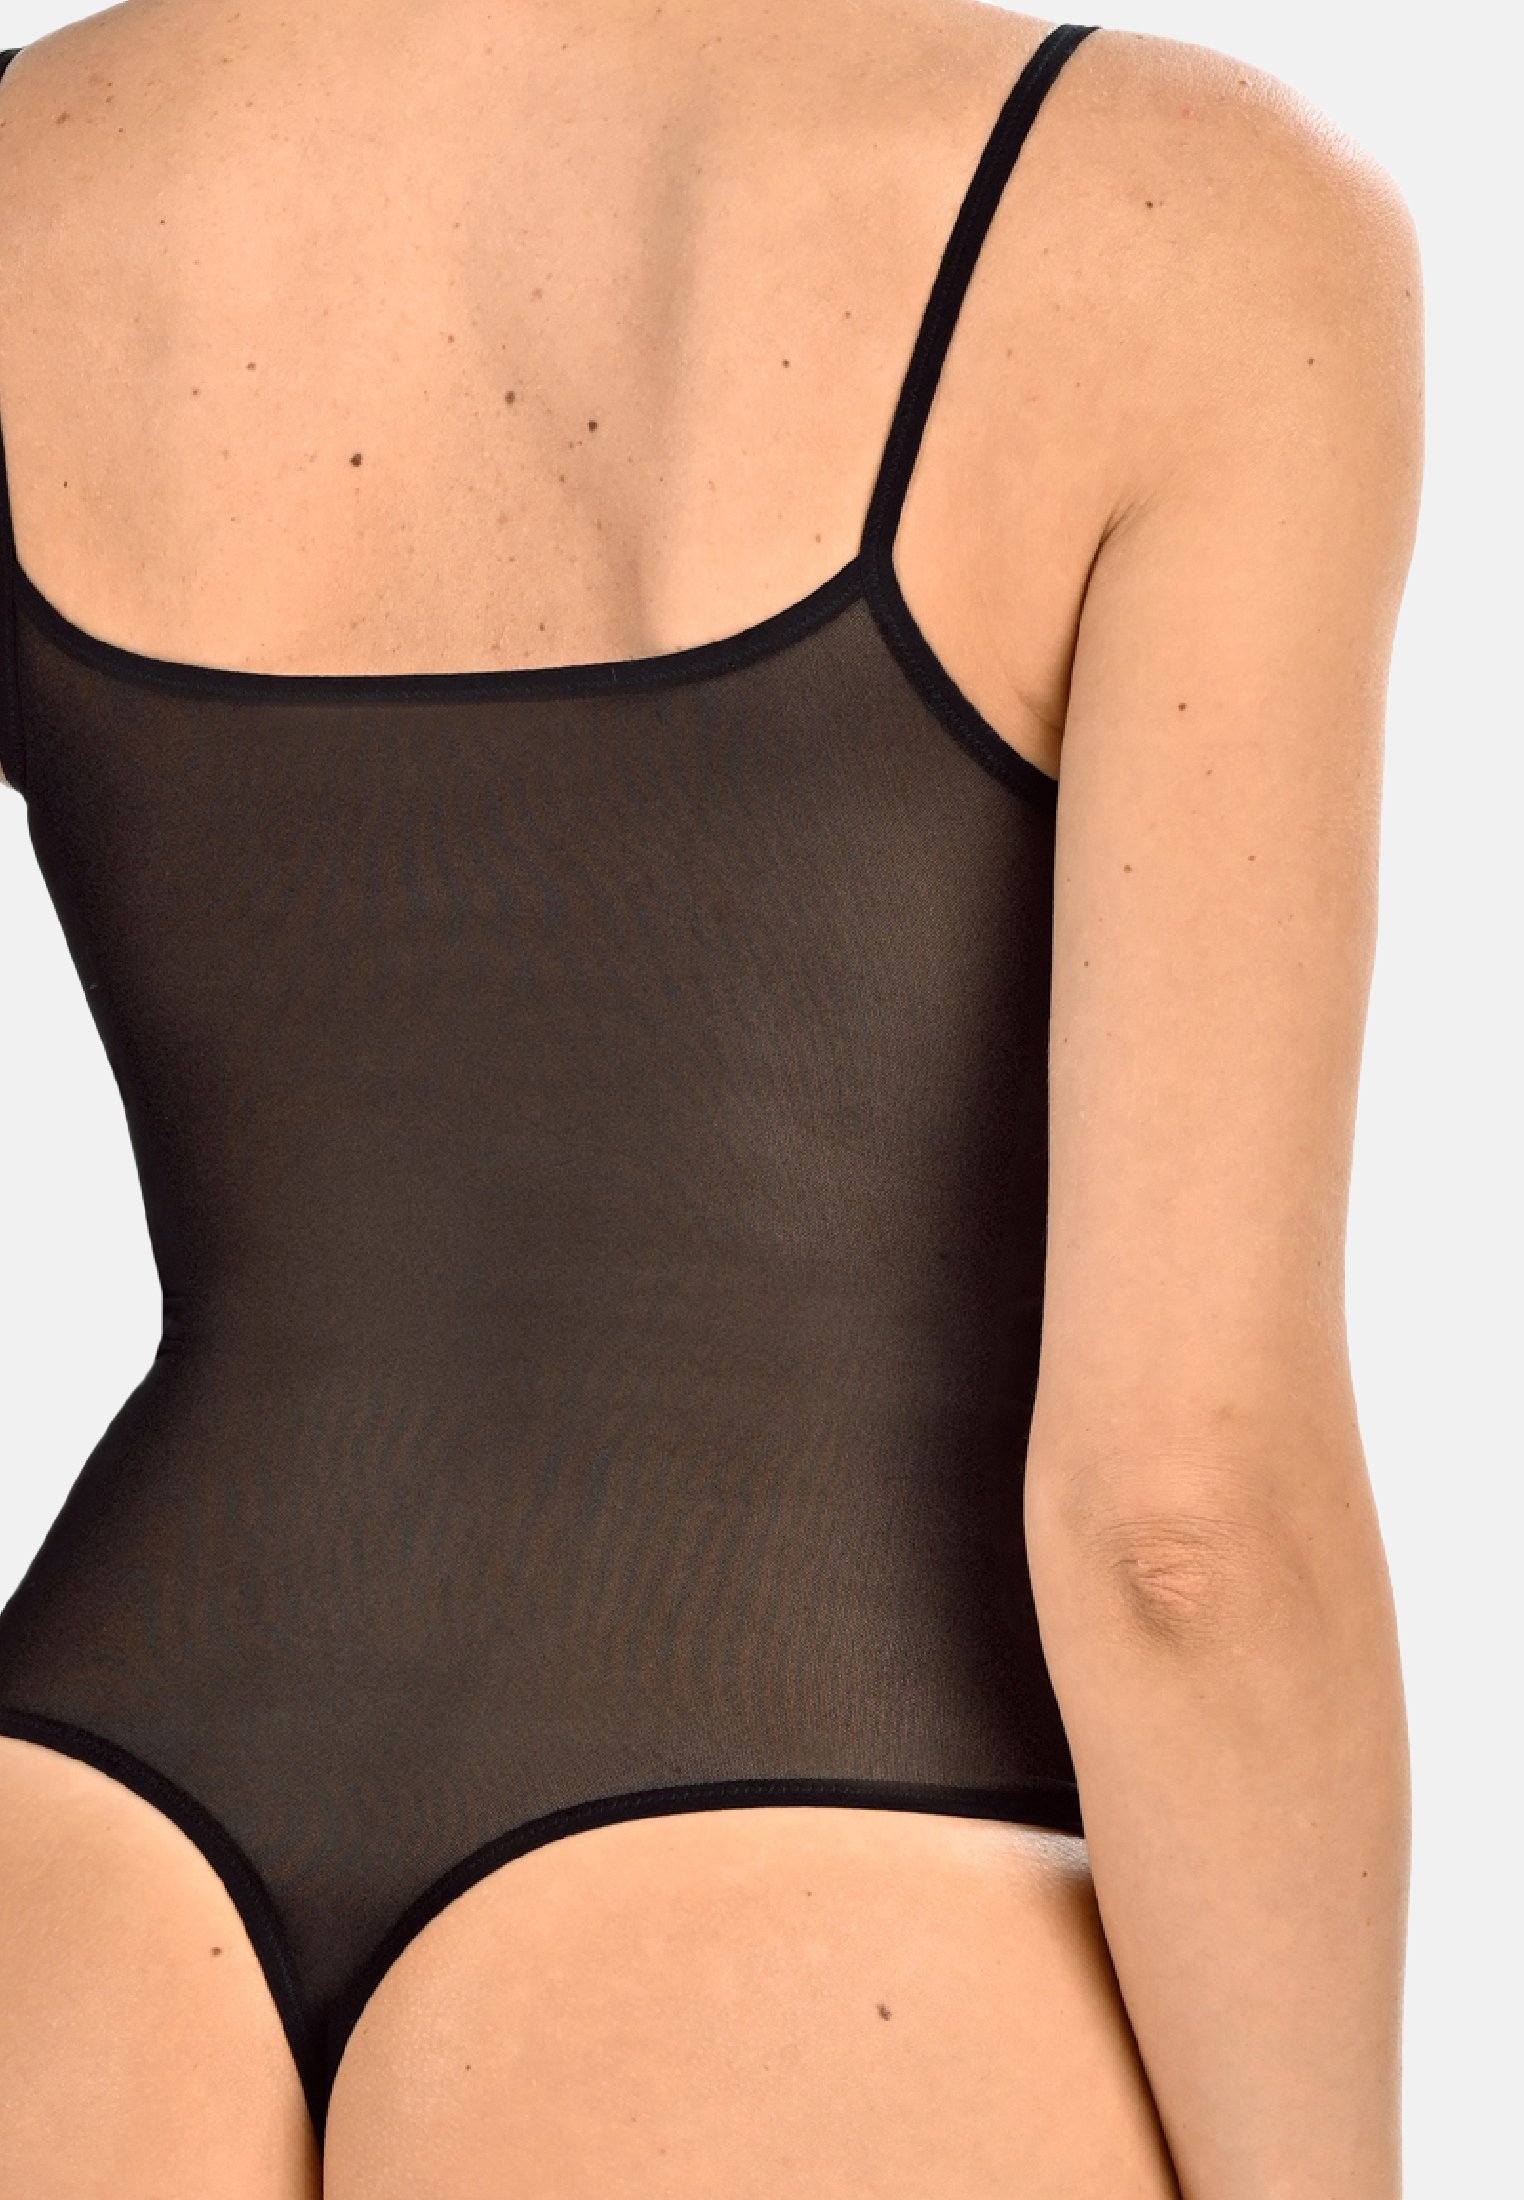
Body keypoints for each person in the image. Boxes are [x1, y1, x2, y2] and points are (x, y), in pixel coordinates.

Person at [0, 3, 1421, 2194]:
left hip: (69, 1894)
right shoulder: (1178, 224)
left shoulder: (40, 170)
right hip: (820, 1927)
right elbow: (1184, 1523)